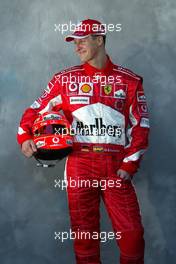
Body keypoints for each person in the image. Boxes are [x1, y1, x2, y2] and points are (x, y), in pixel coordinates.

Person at [17, 19, 150, 264]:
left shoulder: (129, 80)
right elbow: (35, 110)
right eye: (74, 42)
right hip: (80, 164)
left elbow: (141, 125)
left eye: (83, 40)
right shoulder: (64, 80)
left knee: (132, 234)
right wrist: (25, 137)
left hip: (116, 166)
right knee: (85, 236)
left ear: (99, 40)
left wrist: (129, 165)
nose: (77, 47)